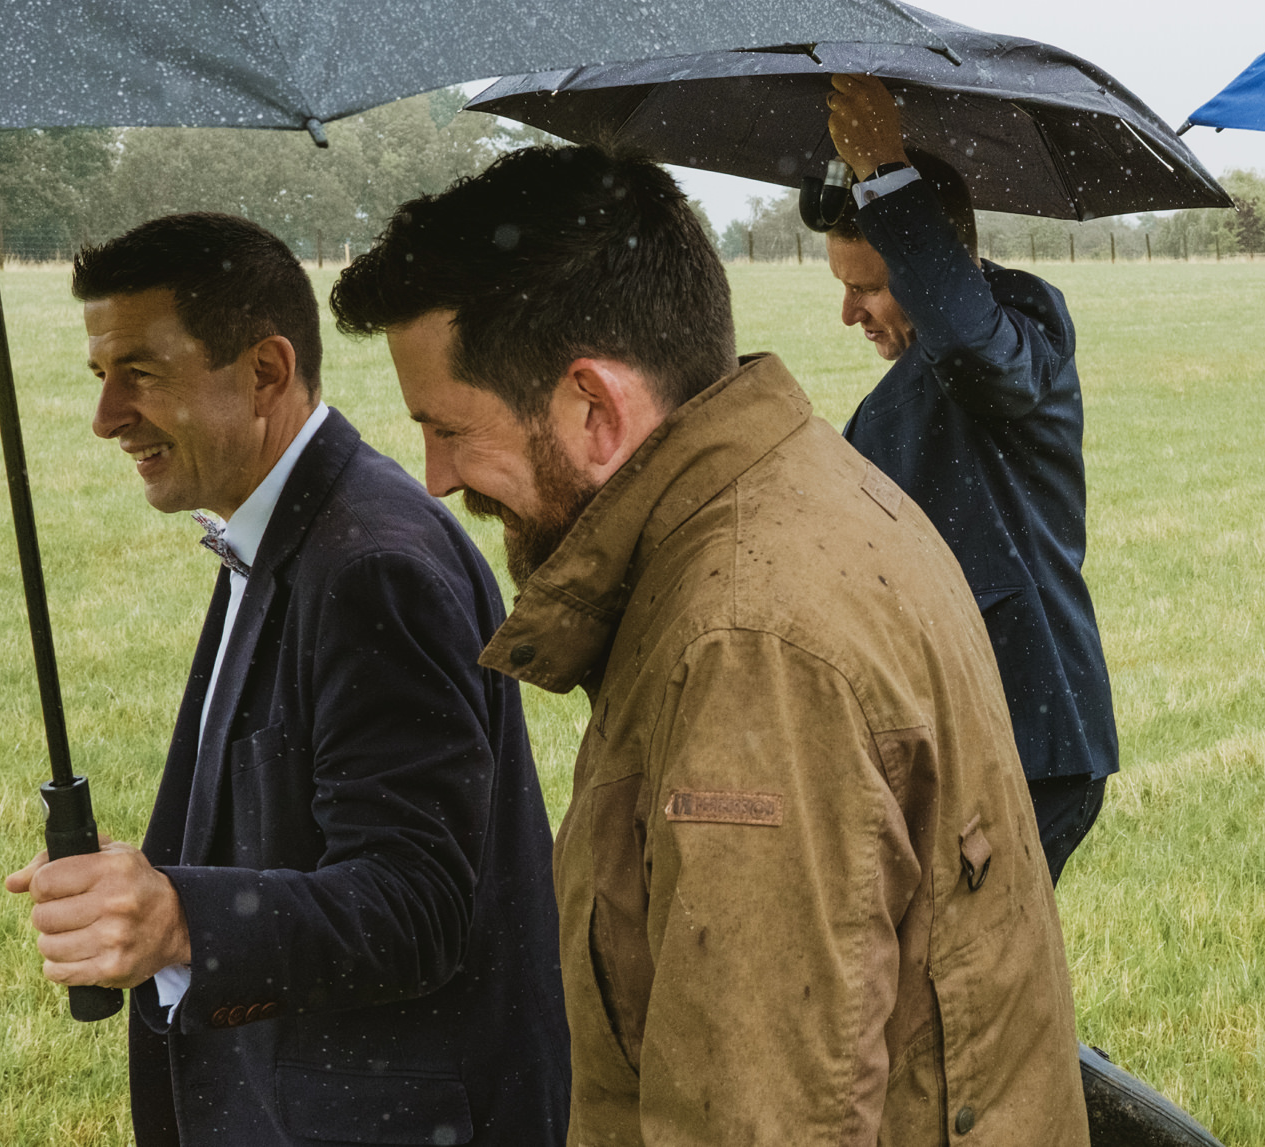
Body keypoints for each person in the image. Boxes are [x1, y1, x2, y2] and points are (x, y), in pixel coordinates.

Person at [329, 145, 1088, 1146]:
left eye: (449, 428)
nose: (432, 476)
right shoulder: (790, 495)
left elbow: (758, 1119)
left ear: (593, 408)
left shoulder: (747, 648)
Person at [7, 213, 567, 1147]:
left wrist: (180, 917)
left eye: (139, 372)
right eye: (100, 377)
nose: (106, 417)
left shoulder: (368, 567)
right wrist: (143, 883)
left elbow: (417, 904)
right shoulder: (293, 529)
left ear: (265, 370)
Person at [822, 72, 1119, 882]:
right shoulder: (889, 401)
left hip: (1029, 734)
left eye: (866, 287)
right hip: (945, 729)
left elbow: (974, 350)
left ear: (934, 262)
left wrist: (884, 172)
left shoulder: (1021, 334)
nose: (849, 314)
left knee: (979, 988)